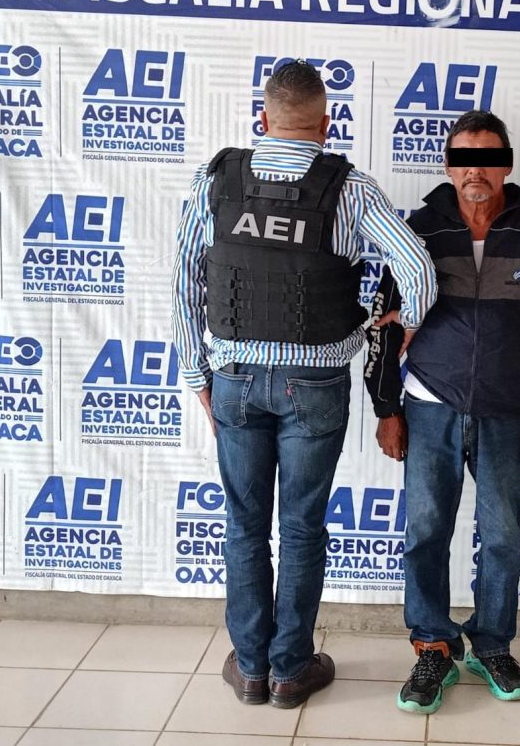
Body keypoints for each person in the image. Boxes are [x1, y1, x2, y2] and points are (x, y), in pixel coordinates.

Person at [171, 60, 436, 708]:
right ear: (326, 123)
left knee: (244, 526)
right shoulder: (351, 189)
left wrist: (194, 372)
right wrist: (399, 324)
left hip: (233, 379)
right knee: (301, 527)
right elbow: (420, 271)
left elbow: (184, 278)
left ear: (263, 119)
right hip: (314, 384)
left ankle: (250, 668)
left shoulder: (216, 179)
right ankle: (290, 670)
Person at [365, 110, 520, 714]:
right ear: (448, 165)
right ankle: (433, 646)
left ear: (505, 164)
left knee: (504, 536)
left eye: (486, 158)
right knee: (426, 531)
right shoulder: (420, 229)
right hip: (430, 405)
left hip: (509, 412)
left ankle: (492, 645)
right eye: (463, 159)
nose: (474, 171)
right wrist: (386, 406)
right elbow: (385, 324)